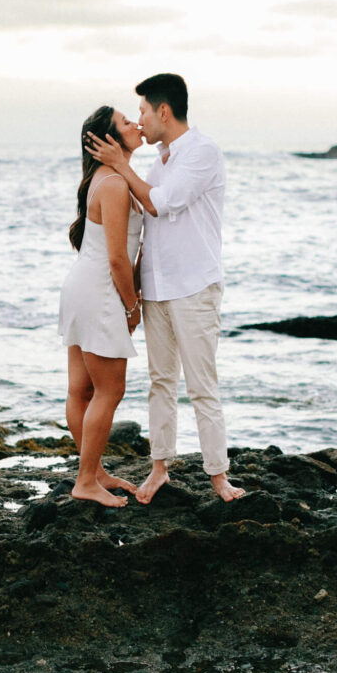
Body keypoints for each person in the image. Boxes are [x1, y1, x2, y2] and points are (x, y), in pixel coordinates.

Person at [86, 73, 245, 504]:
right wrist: (133, 295)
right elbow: (144, 221)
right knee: (160, 382)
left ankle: (218, 476)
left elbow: (160, 202)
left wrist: (121, 164)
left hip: (194, 286)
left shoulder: (202, 152)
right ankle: (160, 468)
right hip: (158, 288)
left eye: (141, 111)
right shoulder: (161, 160)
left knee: (201, 385)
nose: (139, 120)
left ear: (163, 111)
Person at [59, 105, 144, 507]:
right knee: (110, 390)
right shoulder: (112, 185)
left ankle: (92, 473)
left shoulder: (102, 178)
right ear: (109, 140)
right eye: (126, 122)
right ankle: (85, 481)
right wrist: (132, 306)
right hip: (100, 290)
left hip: (81, 286)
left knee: (81, 389)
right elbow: (117, 259)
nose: (135, 124)